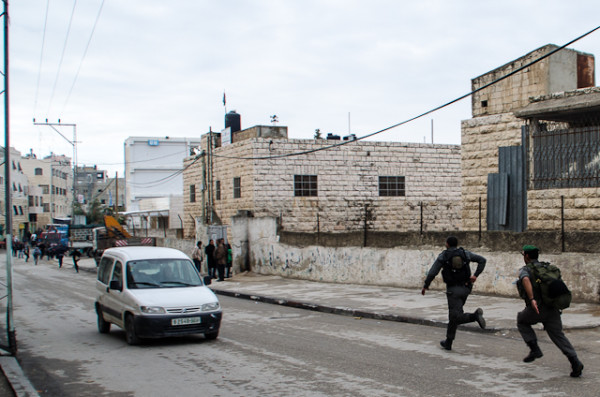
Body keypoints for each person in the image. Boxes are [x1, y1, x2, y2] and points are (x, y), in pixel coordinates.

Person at [517, 245, 584, 377]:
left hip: (537, 309)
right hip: (553, 308)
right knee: (558, 336)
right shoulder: (547, 268)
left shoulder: (526, 270)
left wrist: (532, 299)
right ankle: (575, 361)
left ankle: (534, 349)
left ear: (527, 256)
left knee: (521, 320)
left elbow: (525, 279)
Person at [421, 236, 487, 351]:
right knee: (454, 315)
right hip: (466, 288)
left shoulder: (444, 256)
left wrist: (426, 285)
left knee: (455, 316)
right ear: (456, 244)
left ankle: (475, 316)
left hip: (453, 290)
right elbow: (482, 260)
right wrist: (475, 275)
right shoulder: (465, 253)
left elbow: (433, 272)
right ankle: (448, 342)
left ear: (447, 244)